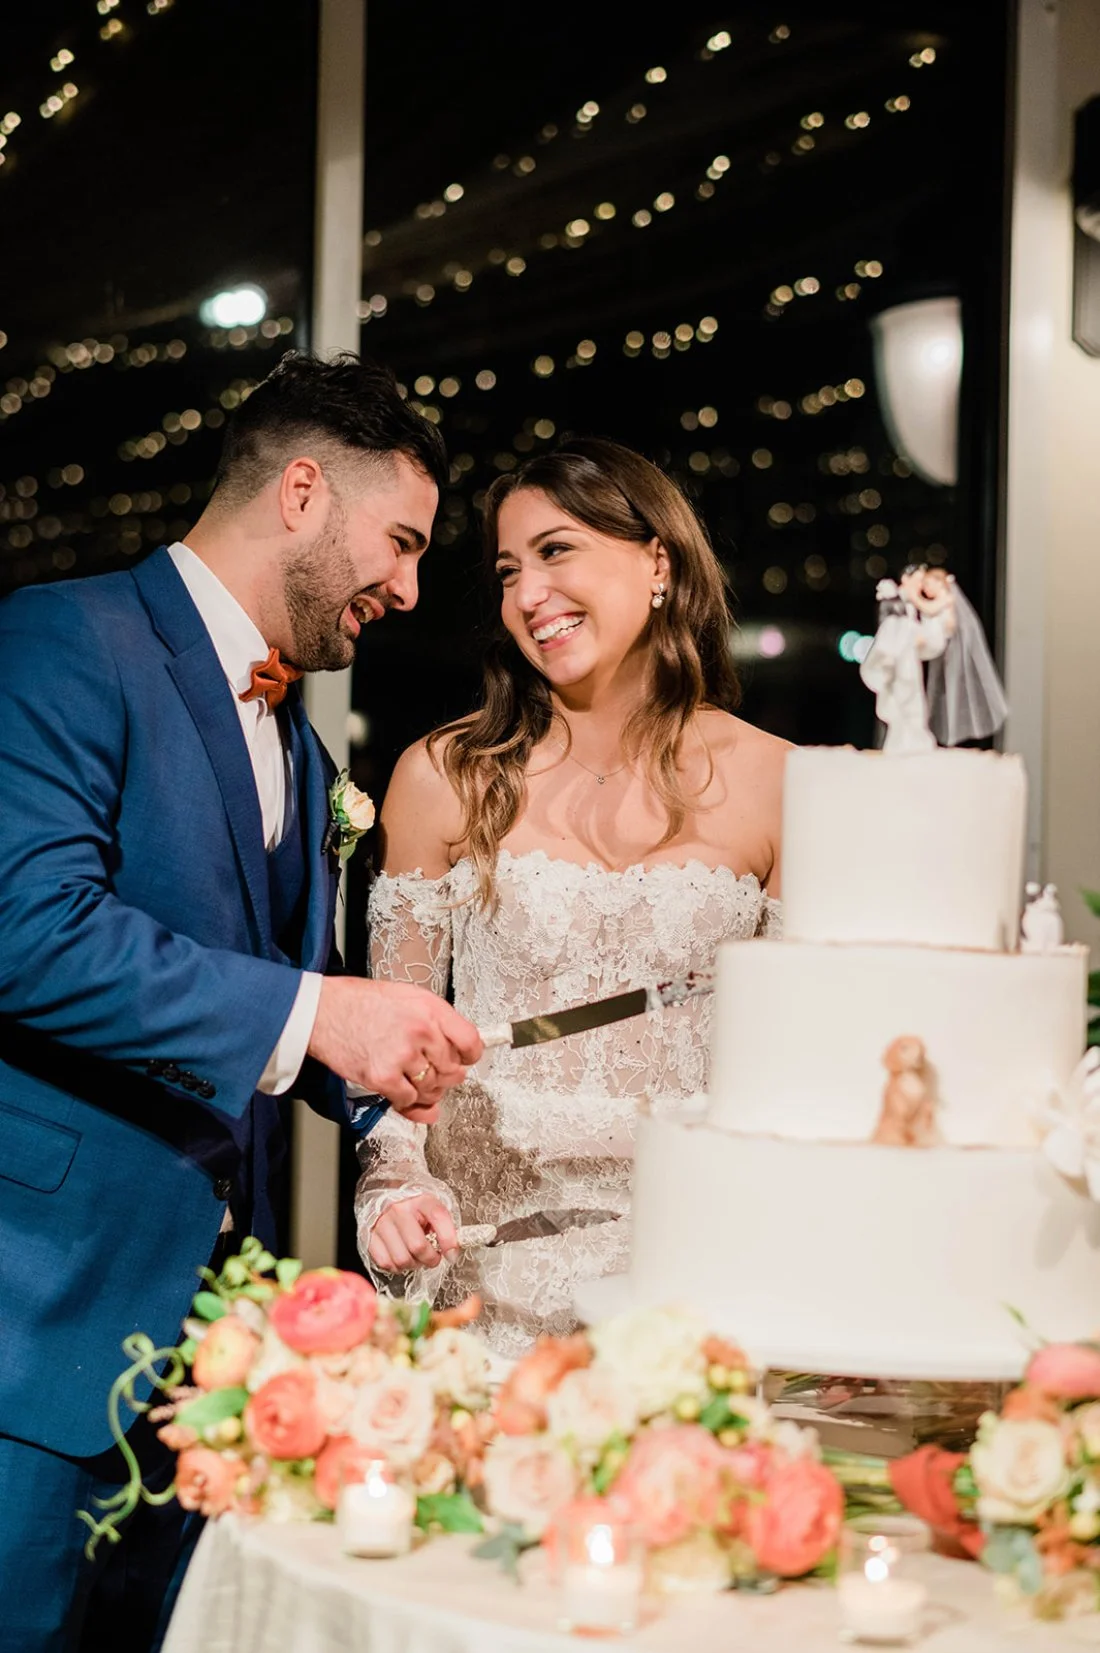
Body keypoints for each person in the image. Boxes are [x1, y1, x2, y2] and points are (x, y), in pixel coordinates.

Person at [0, 350, 482, 1652]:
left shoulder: (308, 745)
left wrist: (385, 1108)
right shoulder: (60, 638)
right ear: (305, 492)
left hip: (215, 1379)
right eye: (402, 541)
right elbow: (27, 930)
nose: (409, 586)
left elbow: (280, 993)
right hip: (36, 1338)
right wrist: (321, 1017)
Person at [355, 437, 789, 1359]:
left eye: (556, 551)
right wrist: (392, 1192)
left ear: (658, 561)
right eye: (508, 571)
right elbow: (390, 1067)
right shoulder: (443, 777)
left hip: (691, 1291)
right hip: (483, 1291)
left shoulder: (780, 783)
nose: (527, 595)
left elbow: (796, 1076)